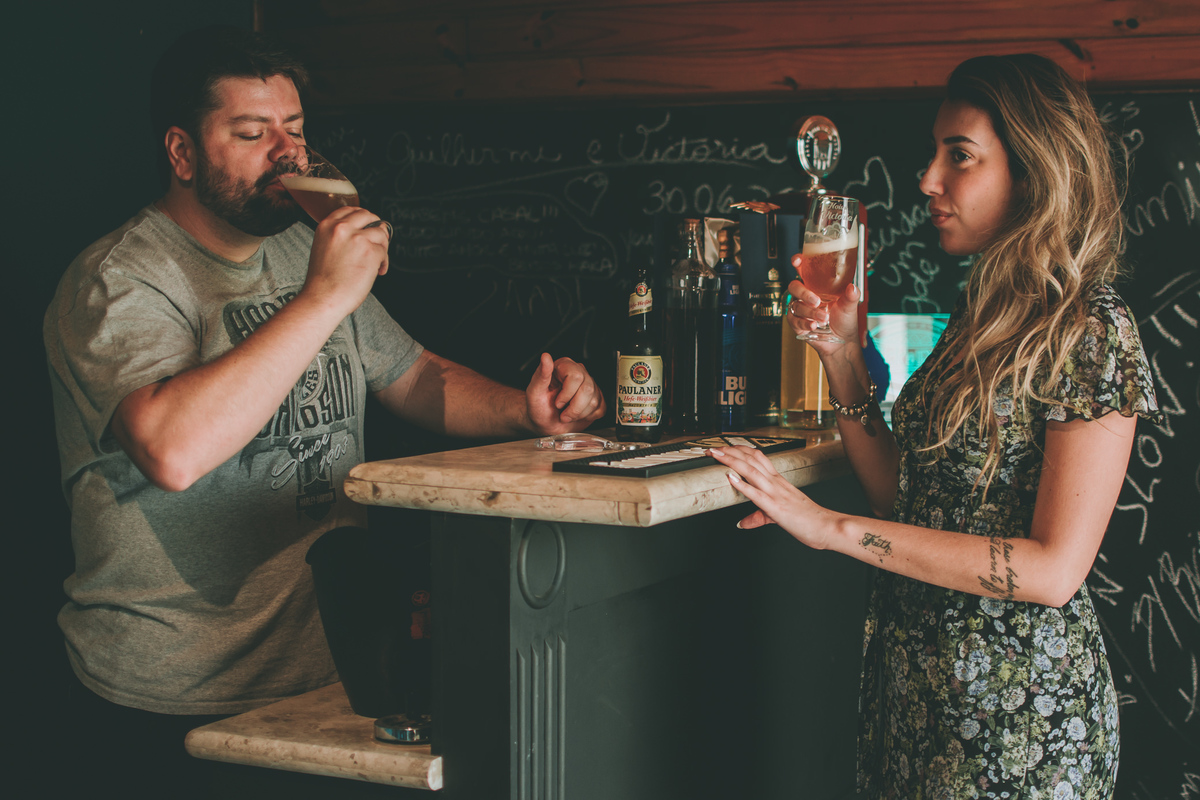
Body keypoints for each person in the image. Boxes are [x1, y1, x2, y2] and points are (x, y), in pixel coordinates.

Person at [43, 25, 604, 793]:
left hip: (325, 676)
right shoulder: (122, 279)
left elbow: (411, 373)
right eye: (252, 133)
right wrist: (325, 295)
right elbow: (171, 451)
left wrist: (528, 411)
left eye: (296, 131)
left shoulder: (296, 253)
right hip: (174, 698)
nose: (287, 154)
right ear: (181, 153)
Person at [710, 54, 1163, 799]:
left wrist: (830, 529)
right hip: (921, 696)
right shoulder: (983, 320)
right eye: (935, 152)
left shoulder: (1091, 328)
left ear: (1034, 171)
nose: (928, 179)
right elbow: (907, 500)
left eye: (959, 156)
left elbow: (1053, 571)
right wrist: (844, 356)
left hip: (1017, 726)